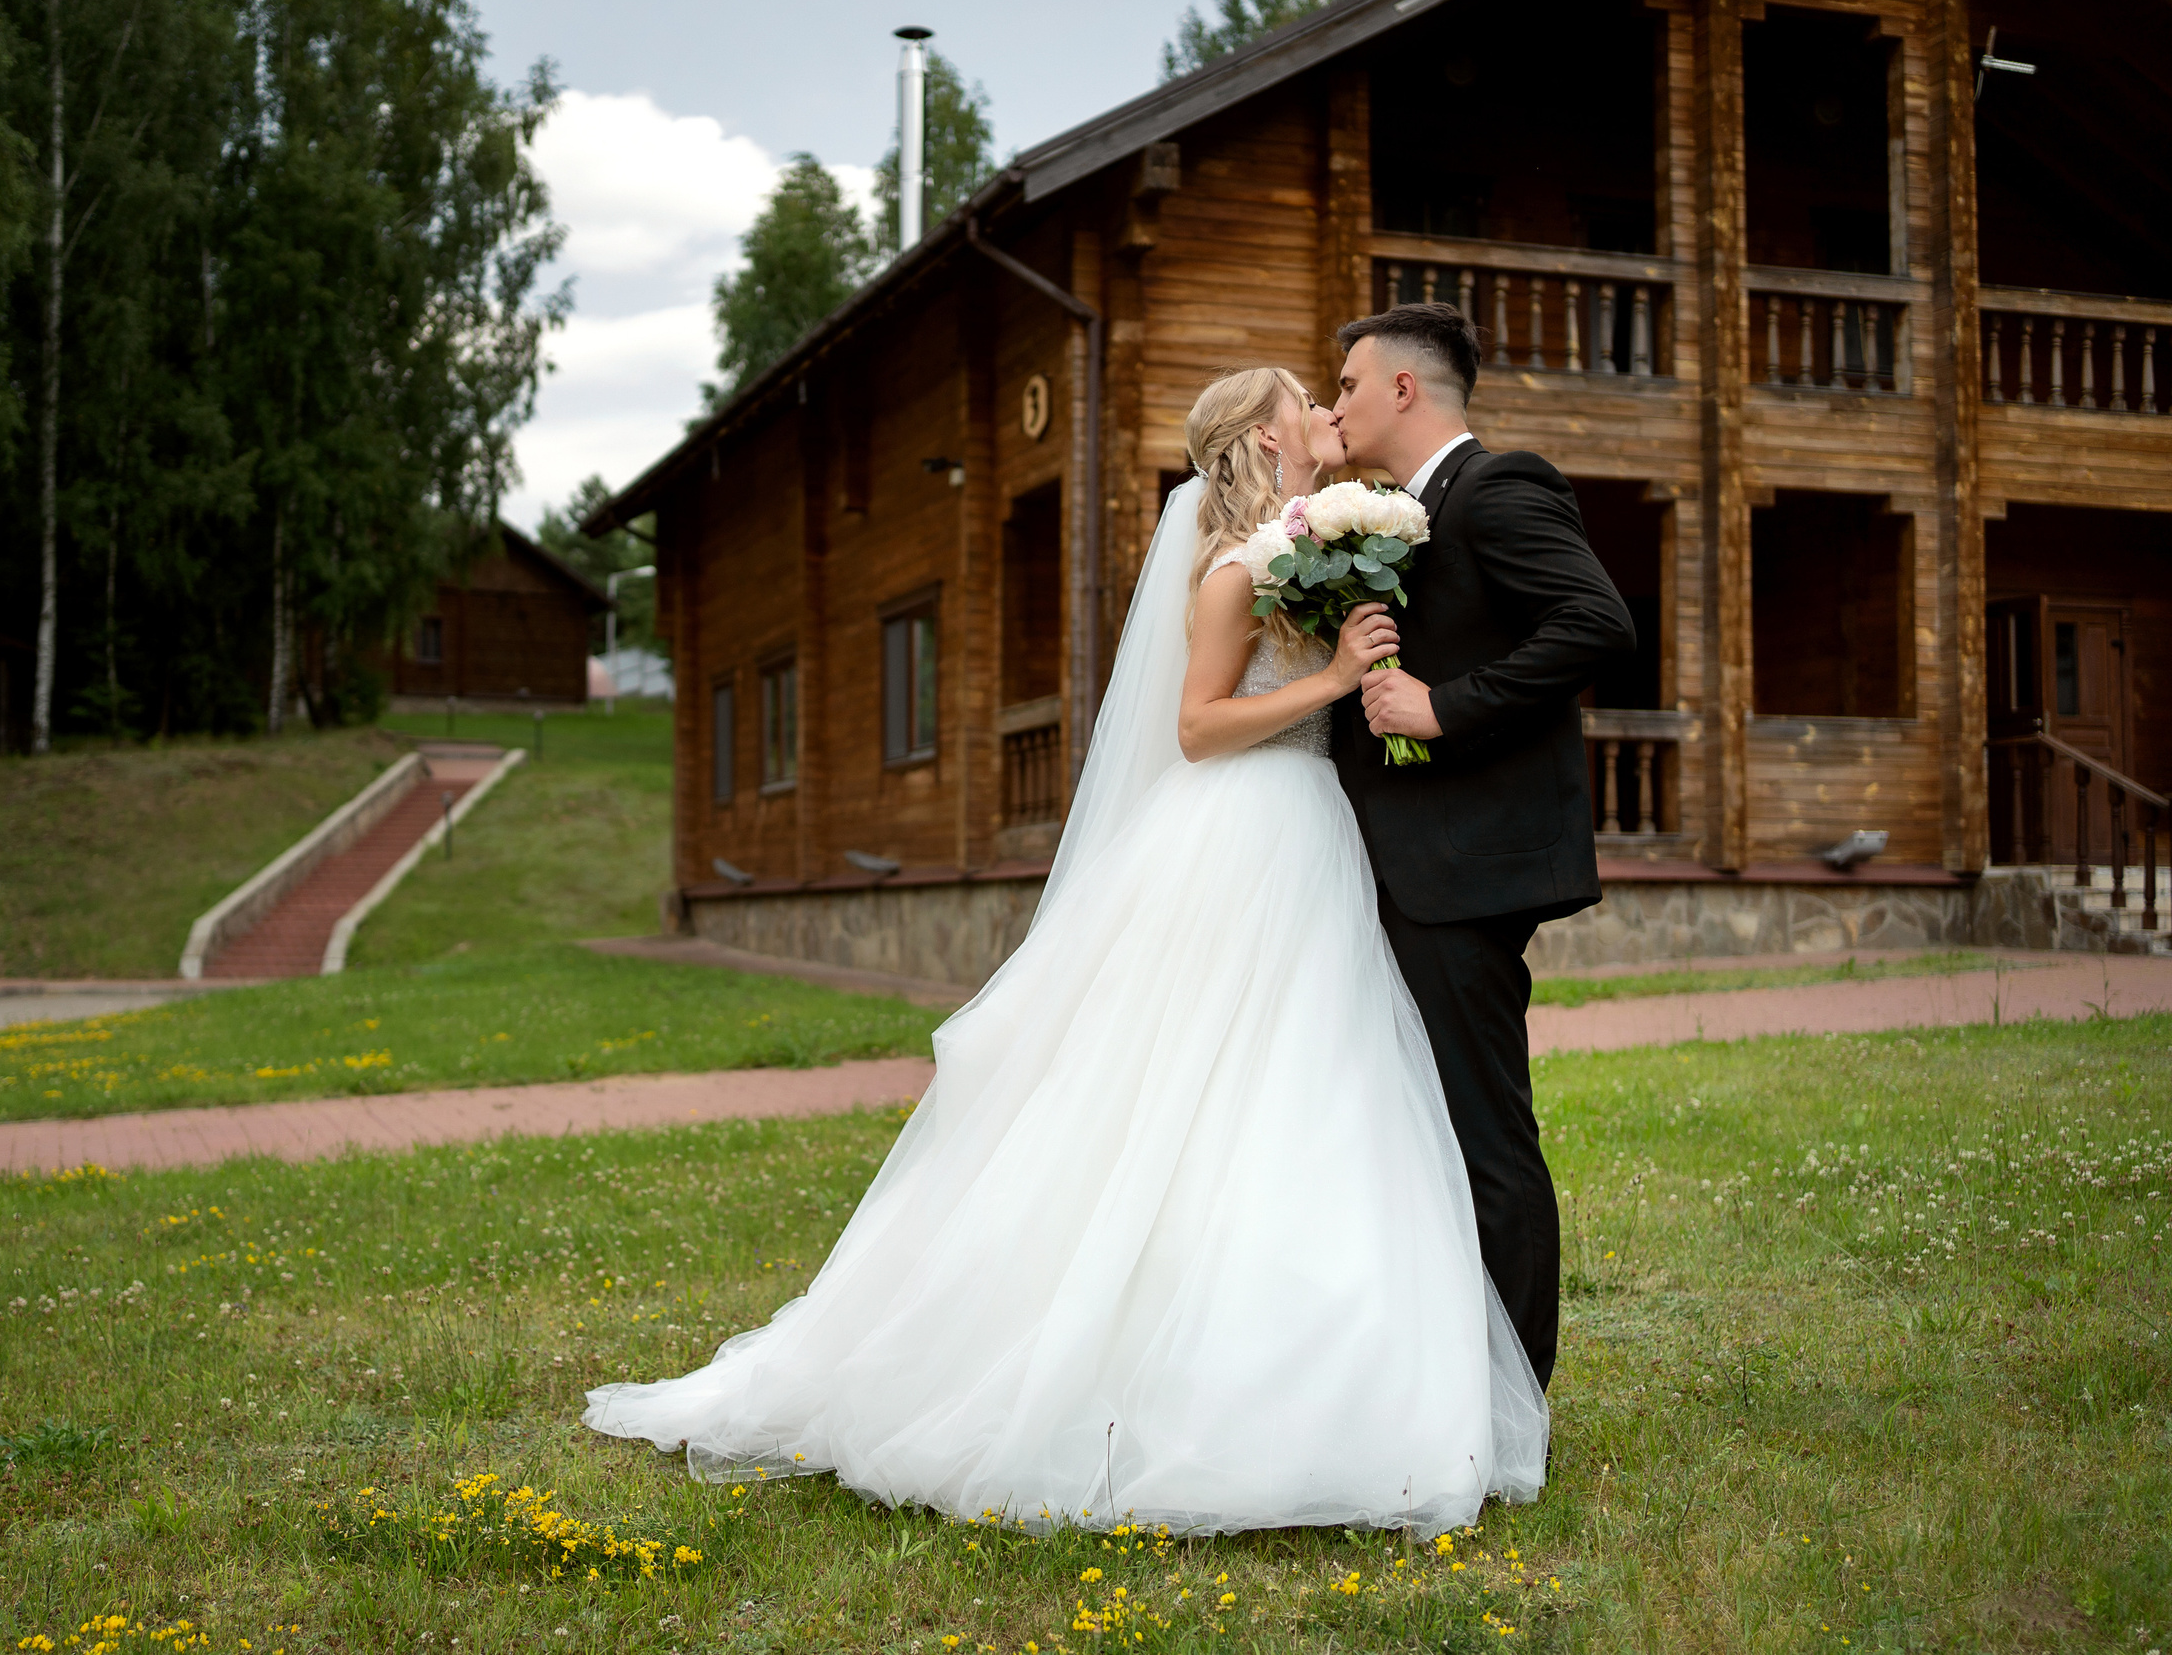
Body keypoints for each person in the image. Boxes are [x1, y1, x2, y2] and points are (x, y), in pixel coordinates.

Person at [584, 366, 1548, 1538]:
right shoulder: (1236, 568)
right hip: (1239, 840)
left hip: (1308, 844)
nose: (1319, 413)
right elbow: (1195, 729)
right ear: (1262, 434)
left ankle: (1321, 1370)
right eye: (1305, 400)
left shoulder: (1299, 553)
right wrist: (1342, 679)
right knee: (1193, 1091)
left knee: (1312, 1086)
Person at [1328, 301, 1635, 1390]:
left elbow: (1596, 623)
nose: (1336, 404)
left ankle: (1513, 1405)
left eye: (1350, 385)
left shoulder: (1498, 487)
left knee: (1481, 1139)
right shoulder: (1389, 514)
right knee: (1418, 1128)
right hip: (1406, 862)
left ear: (1403, 390)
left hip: (1463, 870)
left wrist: (1444, 708)